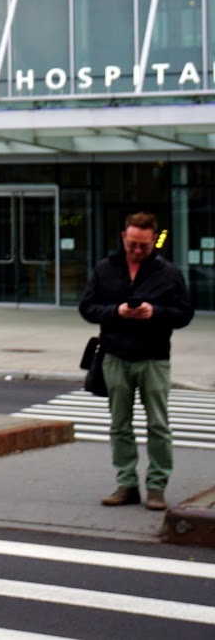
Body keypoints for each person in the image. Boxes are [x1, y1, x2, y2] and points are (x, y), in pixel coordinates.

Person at [79, 212, 194, 511]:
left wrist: (155, 312)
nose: (138, 250)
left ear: (153, 239)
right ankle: (126, 483)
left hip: (153, 357)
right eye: (133, 244)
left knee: (158, 424)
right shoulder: (105, 269)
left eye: (144, 245)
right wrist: (115, 312)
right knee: (119, 424)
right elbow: (87, 307)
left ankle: (156, 486)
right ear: (123, 238)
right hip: (115, 355)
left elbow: (184, 313)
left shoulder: (167, 272)